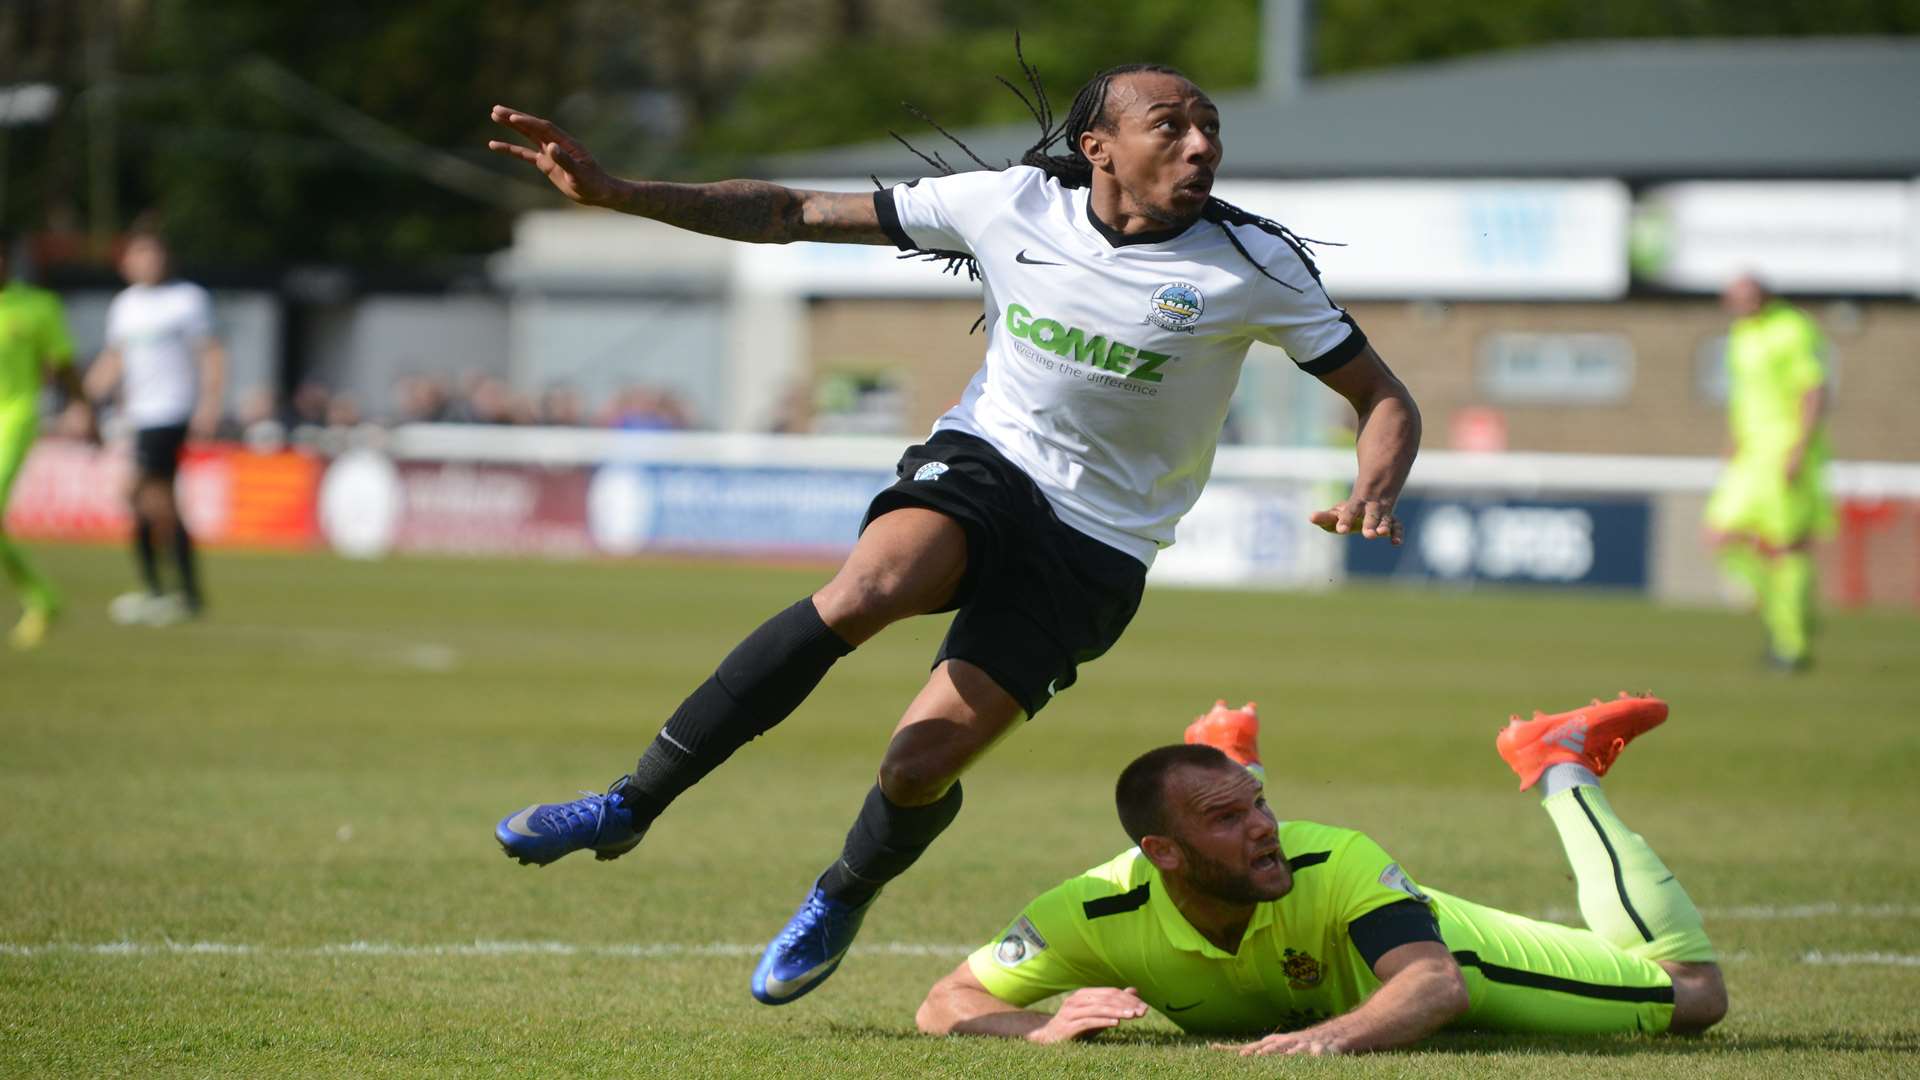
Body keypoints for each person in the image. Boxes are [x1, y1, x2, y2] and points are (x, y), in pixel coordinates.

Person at [486, 57, 1421, 1006]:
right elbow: (793, 212)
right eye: (1171, 126)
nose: (1201, 145)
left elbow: (1380, 394)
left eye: (1210, 127)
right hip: (989, 463)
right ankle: (626, 805)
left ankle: (841, 893)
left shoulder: (1252, 264)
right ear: (1098, 148)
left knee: (917, 765)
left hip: (1100, 542)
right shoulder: (1008, 204)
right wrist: (618, 193)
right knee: (869, 590)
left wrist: (1374, 487)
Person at [916, 694, 1727, 1053]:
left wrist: (1326, 1040)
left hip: (1455, 955)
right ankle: (1224, 759)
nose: (1263, 827)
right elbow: (944, 1003)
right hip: (1246, 895)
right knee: (1250, 855)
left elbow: (1436, 986)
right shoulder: (1094, 908)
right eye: (1229, 814)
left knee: (1691, 993)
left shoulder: (1333, 855)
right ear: (1158, 853)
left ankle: (1558, 765)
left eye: (1256, 804)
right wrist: (1042, 1029)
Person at [85, 231, 225, 625]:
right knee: (153, 502)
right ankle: (168, 592)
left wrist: (209, 404)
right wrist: (83, 402)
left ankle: (174, 593)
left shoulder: (188, 299)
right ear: (125, 261)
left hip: (172, 411)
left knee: (143, 492)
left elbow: (212, 353)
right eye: (139, 254)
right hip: (138, 415)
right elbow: (114, 360)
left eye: (153, 252)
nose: (147, 261)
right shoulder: (125, 306)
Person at [1704, 274, 1832, 671]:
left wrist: (1799, 447)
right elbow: (1744, 394)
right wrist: (1733, 438)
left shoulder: (1793, 329)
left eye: (1745, 295)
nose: (1739, 304)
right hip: (1751, 453)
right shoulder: (1740, 336)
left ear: (1763, 295)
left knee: (1788, 545)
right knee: (1719, 535)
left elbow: (1812, 390)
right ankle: (1785, 611)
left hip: (1784, 449)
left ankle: (1792, 645)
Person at [0, 232, 98, 649]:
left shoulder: (38, 306)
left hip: (15, 418)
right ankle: (43, 597)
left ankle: (41, 596)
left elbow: (63, 363)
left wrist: (84, 407)